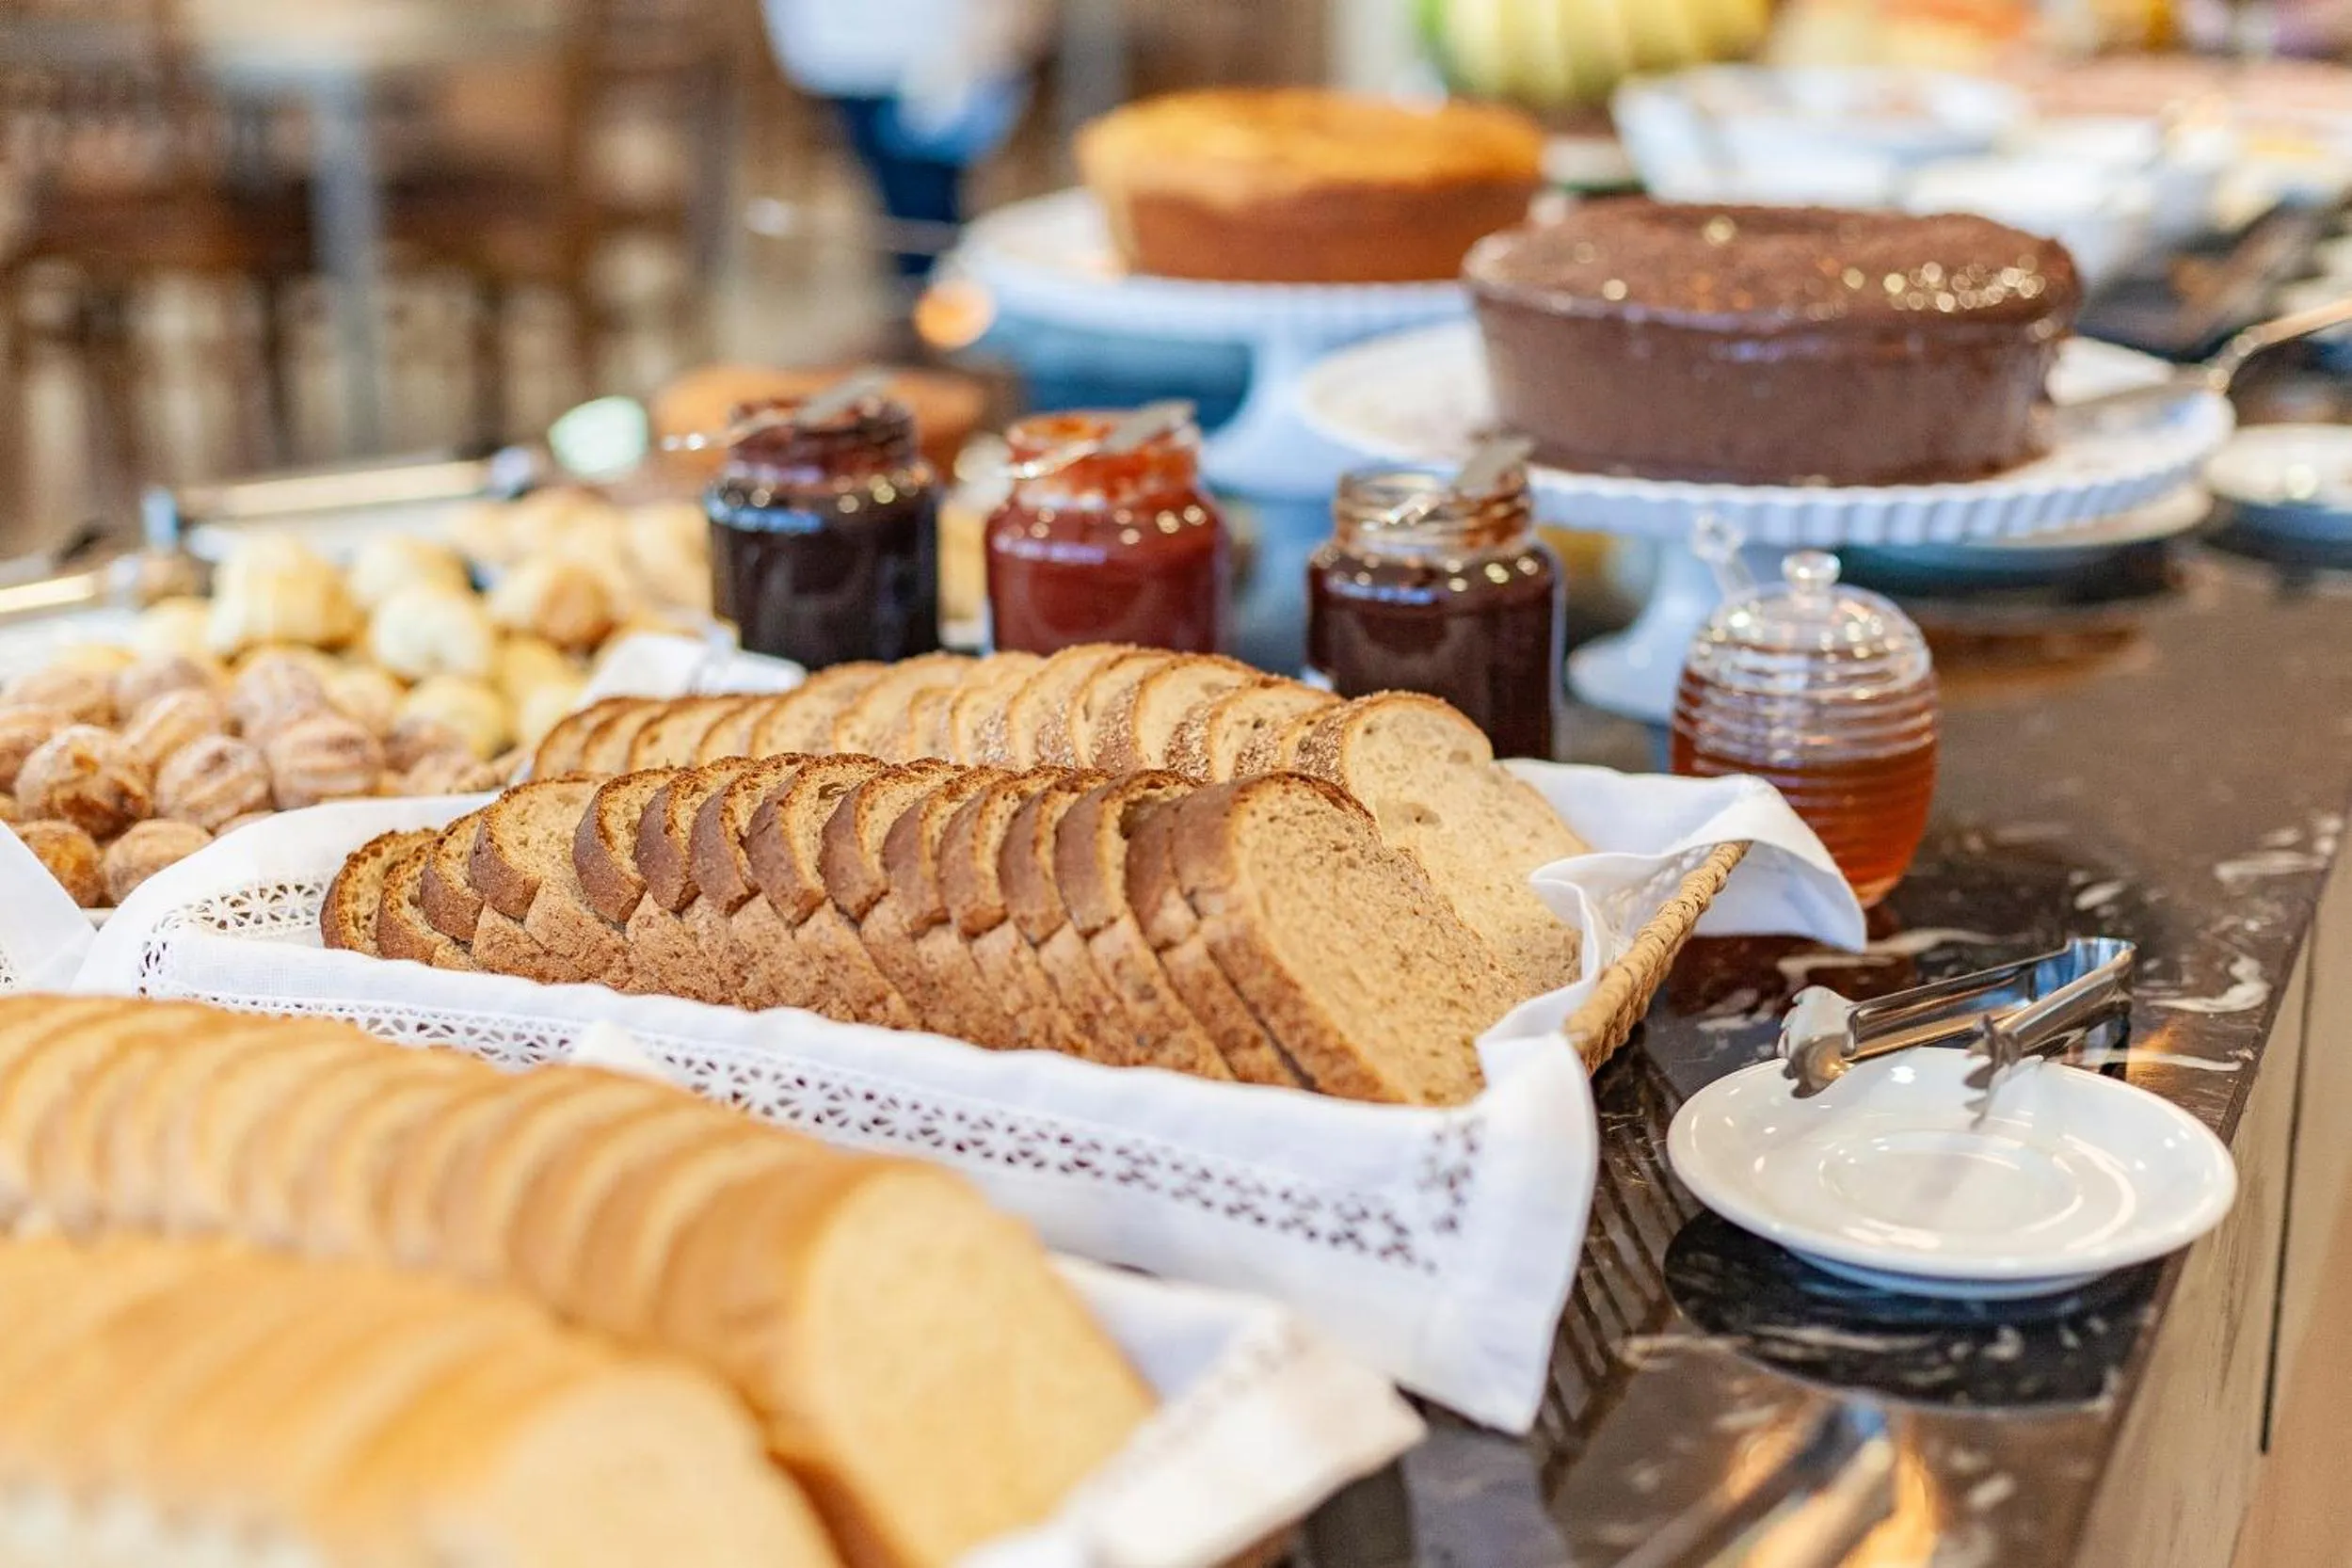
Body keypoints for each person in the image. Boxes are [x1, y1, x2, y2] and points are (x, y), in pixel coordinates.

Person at [761, 0, 1050, 280]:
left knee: (923, 212)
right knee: (912, 210)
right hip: (870, 49)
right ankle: (930, 293)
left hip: (931, 49)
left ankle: (934, 294)